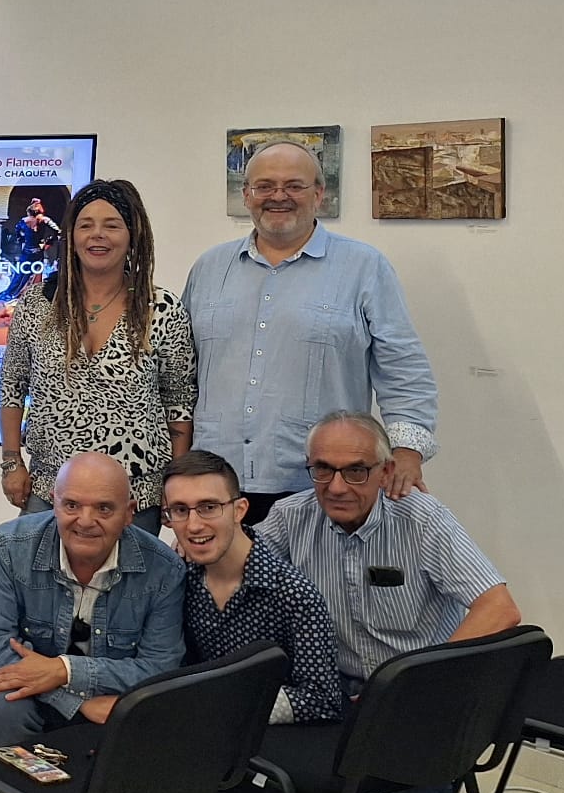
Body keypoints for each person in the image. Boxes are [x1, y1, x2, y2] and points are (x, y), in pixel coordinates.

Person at [255, 410, 520, 793]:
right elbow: (237, 570)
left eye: (356, 470)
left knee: (426, 751)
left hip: (414, 694)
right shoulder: (290, 516)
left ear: (386, 471)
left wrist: (417, 683)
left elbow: (499, 609)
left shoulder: (422, 519)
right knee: (247, 717)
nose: (337, 487)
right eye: (322, 469)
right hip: (331, 685)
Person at [184, 140, 439, 525]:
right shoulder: (208, 268)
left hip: (321, 484)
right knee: (219, 588)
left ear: (319, 194)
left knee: (324, 587)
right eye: (265, 186)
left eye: (294, 185)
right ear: (246, 195)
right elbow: (179, 374)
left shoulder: (364, 267)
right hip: (218, 486)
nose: (278, 196)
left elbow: (404, 369)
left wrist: (407, 451)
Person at [0, 452, 187, 793]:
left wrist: (64, 669)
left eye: (104, 508)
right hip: (39, 696)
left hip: (115, 703)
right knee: (3, 696)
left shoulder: (165, 570)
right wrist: (73, 699)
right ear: (53, 501)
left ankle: (83, 785)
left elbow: (161, 667)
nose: (85, 520)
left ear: (129, 512)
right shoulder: (9, 544)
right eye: (71, 505)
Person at [146, 450, 343, 793]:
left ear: (239, 510)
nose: (194, 525)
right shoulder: (178, 580)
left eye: (208, 507)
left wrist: (232, 709)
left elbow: (323, 697)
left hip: (270, 729)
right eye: (179, 510)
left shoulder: (293, 594)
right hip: (204, 721)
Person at [0, 179, 195, 535]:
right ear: (71, 236)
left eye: (112, 225)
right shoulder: (37, 305)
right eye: (86, 225)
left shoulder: (161, 309)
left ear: (133, 235)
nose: (97, 235)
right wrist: (11, 462)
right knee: (37, 585)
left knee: (126, 590)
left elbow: (179, 403)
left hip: (136, 495)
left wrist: (177, 484)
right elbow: (12, 386)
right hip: (52, 488)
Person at [0, 197, 61, 301]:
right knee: (32, 274)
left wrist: (23, 240)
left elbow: (18, 233)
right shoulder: (44, 220)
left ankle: (14, 294)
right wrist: (48, 242)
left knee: (22, 274)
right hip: (37, 251)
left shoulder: (24, 221)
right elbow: (58, 231)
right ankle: (19, 296)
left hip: (27, 250)